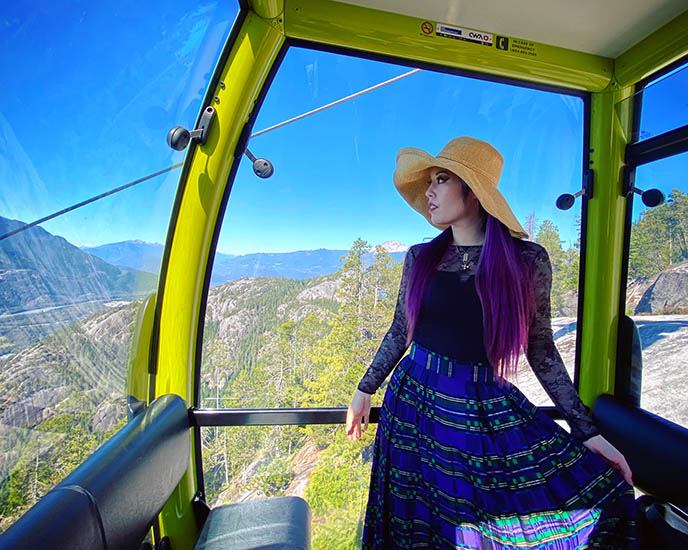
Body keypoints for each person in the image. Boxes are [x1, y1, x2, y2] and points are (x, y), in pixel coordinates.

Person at [346, 137, 638, 549]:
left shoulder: (527, 261)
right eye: (429, 181)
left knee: (476, 521)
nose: (429, 191)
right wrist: (364, 389)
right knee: (415, 518)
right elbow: (400, 331)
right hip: (410, 404)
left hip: (479, 402)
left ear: (472, 189)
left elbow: (540, 349)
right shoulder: (419, 257)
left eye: (440, 179)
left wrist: (587, 431)